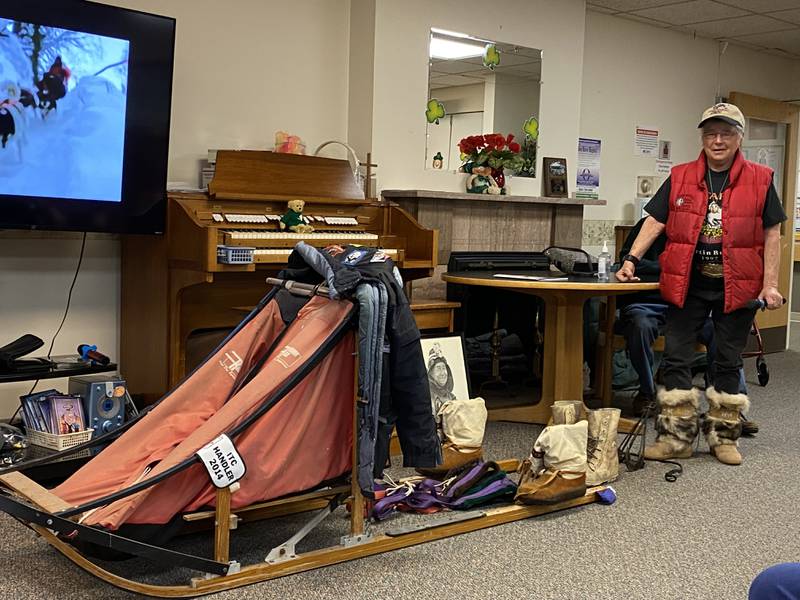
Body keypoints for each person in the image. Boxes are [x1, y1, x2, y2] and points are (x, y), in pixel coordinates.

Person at [616, 102, 786, 466]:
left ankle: (723, 439)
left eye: (726, 133)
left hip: (737, 284)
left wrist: (769, 284)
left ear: (739, 138)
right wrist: (631, 258)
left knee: (725, 361)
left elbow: (773, 233)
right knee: (676, 358)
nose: (718, 140)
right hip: (687, 283)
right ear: (702, 138)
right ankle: (675, 439)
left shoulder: (761, 178)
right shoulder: (680, 176)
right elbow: (655, 221)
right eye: (711, 133)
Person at [616, 217, 747, 416]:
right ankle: (646, 392)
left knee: (720, 332)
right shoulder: (646, 227)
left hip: (687, 304)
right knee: (640, 326)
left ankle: (724, 403)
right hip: (647, 302)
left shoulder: (698, 229)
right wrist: (672, 269)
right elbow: (628, 263)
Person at [427, 343, 456, 419]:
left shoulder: (452, 397)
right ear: (431, 373)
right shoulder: (427, 398)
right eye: (438, 368)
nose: (442, 373)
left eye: (444, 368)